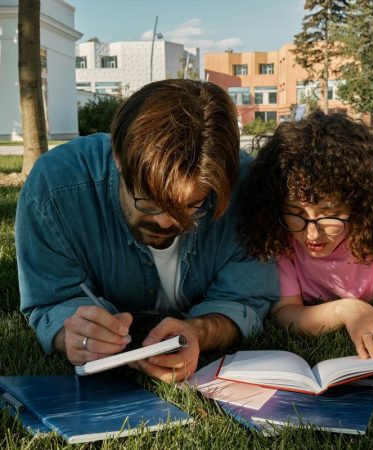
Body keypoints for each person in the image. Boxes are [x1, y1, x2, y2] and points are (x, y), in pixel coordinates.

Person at [16, 79, 279, 382]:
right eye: (150, 202)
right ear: (118, 156)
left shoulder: (247, 189)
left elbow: (246, 299)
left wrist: (198, 332)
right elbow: (52, 300)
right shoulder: (55, 190)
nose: (168, 223)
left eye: (193, 205)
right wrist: (71, 333)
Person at [239, 111, 373, 380]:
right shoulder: (277, 223)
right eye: (296, 212)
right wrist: (348, 309)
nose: (311, 232)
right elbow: (286, 312)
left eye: (328, 213)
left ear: (361, 205)